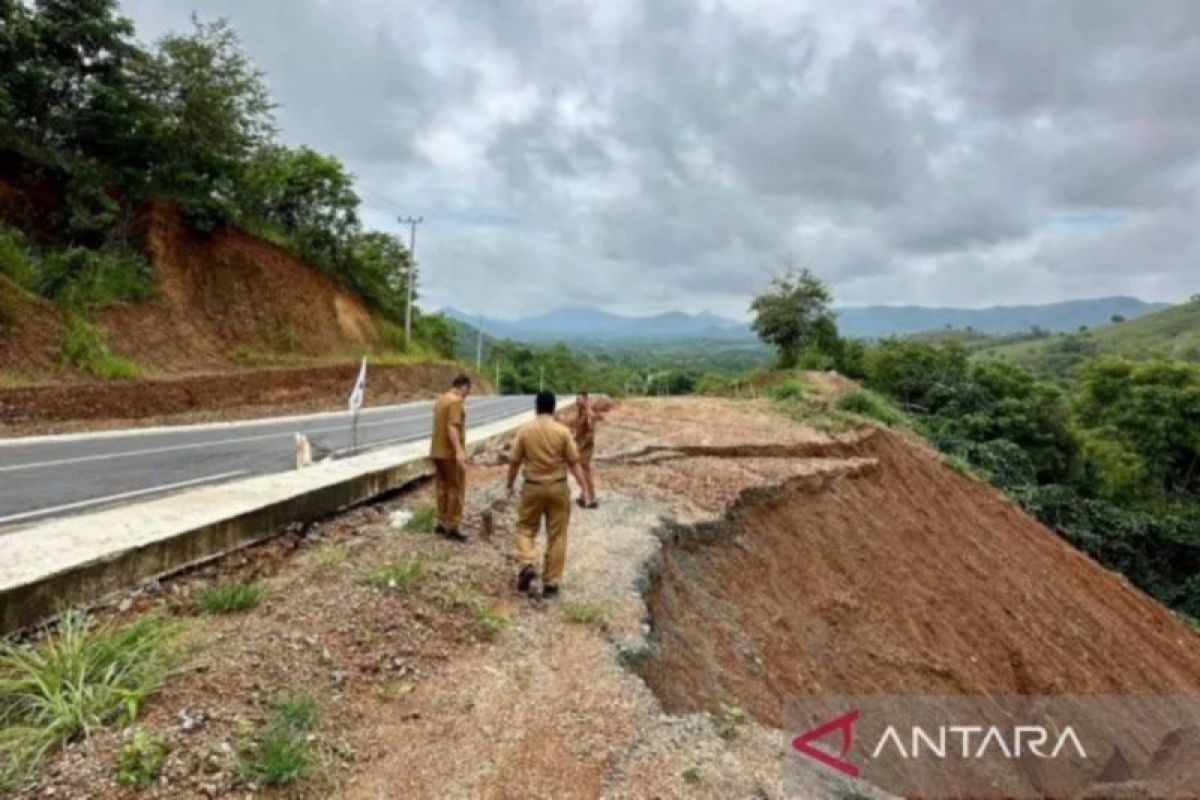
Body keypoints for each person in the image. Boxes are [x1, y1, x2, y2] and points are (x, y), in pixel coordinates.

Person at [506, 391, 593, 598]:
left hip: (533, 487)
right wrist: (584, 488)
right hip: (557, 487)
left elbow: (514, 461)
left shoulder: (525, 431)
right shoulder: (562, 432)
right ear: (553, 408)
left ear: (536, 407)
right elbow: (574, 462)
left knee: (525, 527)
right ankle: (551, 582)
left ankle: (527, 562)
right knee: (557, 534)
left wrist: (509, 484)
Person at [430, 374, 471, 542]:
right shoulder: (455, 401)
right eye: (467, 391)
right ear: (464, 387)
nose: (466, 395)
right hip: (449, 453)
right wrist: (459, 451)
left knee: (442, 486)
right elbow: (452, 427)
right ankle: (452, 526)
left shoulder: (441, 400)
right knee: (456, 487)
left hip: (436, 451)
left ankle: (441, 521)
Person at [572, 391, 599, 509]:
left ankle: (592, 498)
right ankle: (584, 495)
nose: (577, 401)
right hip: (580, 445)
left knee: (586, 472)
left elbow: (590, 434)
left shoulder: (589, 414)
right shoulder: (581, 412)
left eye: (579, 399)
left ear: (585, 400)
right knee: (581, 471)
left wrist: (581, 446)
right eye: (576, 399)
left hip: (585, 447)